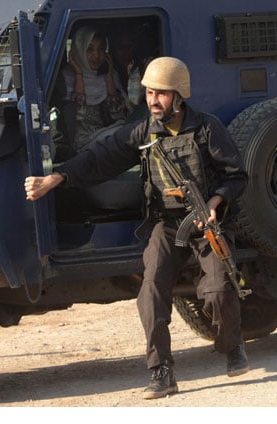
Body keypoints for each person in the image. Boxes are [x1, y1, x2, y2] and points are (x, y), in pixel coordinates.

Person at [25, 56, 250, 399]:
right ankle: (161, 371)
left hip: (206, 222)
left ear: (179, 95)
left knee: (219, 290)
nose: (153, 101)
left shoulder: (207, 129)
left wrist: (215, 204)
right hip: (165, 223)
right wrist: (56, 177)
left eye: (160, 94)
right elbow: (101, 156)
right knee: (151, 291)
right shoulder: (142, 132)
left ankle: (232, 345)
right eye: (148, 93)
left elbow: (236, 175)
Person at [53, 25, 129, 160]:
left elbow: (118, 115)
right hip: (82, 142)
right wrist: (79, 74)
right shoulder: (66, 78)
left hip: (108, 134)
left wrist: (108, 77)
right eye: (89, 49)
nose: (97, 55)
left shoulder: (110, 74)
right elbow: (79, 117)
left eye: (101, 49)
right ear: (79, 51)